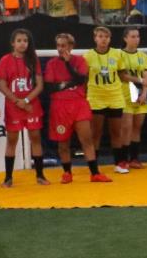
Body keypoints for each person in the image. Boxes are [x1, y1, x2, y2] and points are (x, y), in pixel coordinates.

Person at [44, 32, 107, 183]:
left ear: (71, 46)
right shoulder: (51, 63)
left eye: (64, 45)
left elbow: (80, 79)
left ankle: (95, 173)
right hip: (60, 107)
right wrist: (68, 83)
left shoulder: (79, 61)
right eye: (58, 46)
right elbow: (49, 87)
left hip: (78, 104)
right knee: (63, 142)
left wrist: (67, 66)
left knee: (86, 139)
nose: (60, 49)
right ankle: (67, 173)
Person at [0, 28, 47, 187]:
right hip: (14, 106)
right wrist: (17, 101)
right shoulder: (5, 60)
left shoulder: (33, 59)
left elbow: (39, 85)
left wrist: (25, 100)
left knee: (35, 138)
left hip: (31, 105)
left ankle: (40, 175)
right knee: (12, 140)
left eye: (25, 41)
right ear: (13, 43)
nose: (22, 43)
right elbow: (2, 86)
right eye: (19, 41)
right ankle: (8, 178)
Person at [83, 25, 131, 174]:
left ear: (110, 39)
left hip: (114, 96)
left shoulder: (117, 54)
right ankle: (94, 165)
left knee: (116, 131)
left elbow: (123, 75)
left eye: (106, 37)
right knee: (95, 132)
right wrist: (83, 97)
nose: (103, 40)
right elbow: (84, 78)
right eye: (100, 37)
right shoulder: (88, 56)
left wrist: (140, 80)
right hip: (96, 97)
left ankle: (119, 163)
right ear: (95, 38)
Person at [117, 26, 147, 169]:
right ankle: (123, 159)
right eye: (132, 36)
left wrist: (144, 93)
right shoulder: (119, 55)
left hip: (140, 96)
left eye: (137, 36)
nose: (136, 39)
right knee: (126, 127)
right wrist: (139, 81)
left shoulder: (143, 56)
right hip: (125, 95)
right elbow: (122, 75)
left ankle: (134, 158)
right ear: (125, 38)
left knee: (137, 127)